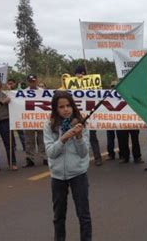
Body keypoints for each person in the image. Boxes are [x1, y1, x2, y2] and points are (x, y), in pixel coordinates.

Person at [43, 91, 92, 241]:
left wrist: (78, 137)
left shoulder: (81, 123)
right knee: (58, 216)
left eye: (68, 105)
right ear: (55, 109)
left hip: (78, 174)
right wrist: (63, 138)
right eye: (61, 106)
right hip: (57, 176)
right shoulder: (49, 125)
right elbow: (51, 152)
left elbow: (84, 153)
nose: (66, 109)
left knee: (83, 215)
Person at [74, 66, 103, 166]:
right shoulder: (72, 86)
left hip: (89, 117)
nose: (79, 76)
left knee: (92, 138)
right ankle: (78, 160)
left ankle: (98, 158)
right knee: (76, 138)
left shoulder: (92, 87)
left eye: (81, 73)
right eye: (77, 74)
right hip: (76, 117)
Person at [22, 75, 47, 168]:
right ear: (28, 82)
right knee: (29, 140)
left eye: (33, 81)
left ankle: (45, 157)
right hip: (29, 118)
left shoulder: (43, 92)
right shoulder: (23, 92)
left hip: (40, 118)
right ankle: (30, 159)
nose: (32, 82)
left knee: (42, 139)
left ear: (36, 81)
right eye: (30, 81)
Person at [6, 78, 26, 152]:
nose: (10, 85)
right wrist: (8, 90)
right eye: (9, 83)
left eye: (11, 83)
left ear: (15, 83)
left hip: (18, 114)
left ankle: (24, 146)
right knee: (10, 133)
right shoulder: (6, 92)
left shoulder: (19, 91)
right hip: (8, 114)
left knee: (21, 132)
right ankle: (13, 147)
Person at [106, 80, 119, 160]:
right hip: (109, 120)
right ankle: (111, 154)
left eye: (115, 86)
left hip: (119, 120)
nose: (114, 88)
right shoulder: (106, 95)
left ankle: (122, 154)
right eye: (112, 86)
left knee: (121, 138)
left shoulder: (122, 95)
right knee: (110, 138)